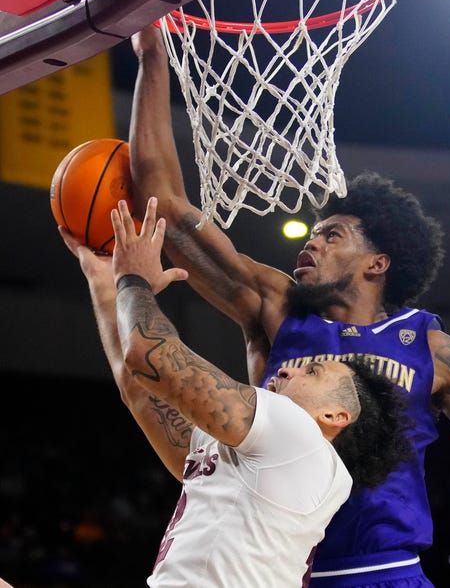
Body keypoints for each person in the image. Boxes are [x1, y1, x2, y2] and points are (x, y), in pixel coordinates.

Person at [127, 26, 450, 586]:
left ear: (378, 263)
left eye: (333, 234)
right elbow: (168, 209)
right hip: (280, 570)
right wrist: (153, 60)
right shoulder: (275, 308)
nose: (312, 242)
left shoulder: (432, 348)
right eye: (315, 232)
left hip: (386, 571)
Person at [60, 197, 411, 587]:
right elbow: (140, 388)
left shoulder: (298, 435)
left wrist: (133, 280)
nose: (290, 366)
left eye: (312, 370)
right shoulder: (259, 461)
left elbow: (150, 357)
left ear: (334, 416)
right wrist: (103, 281)